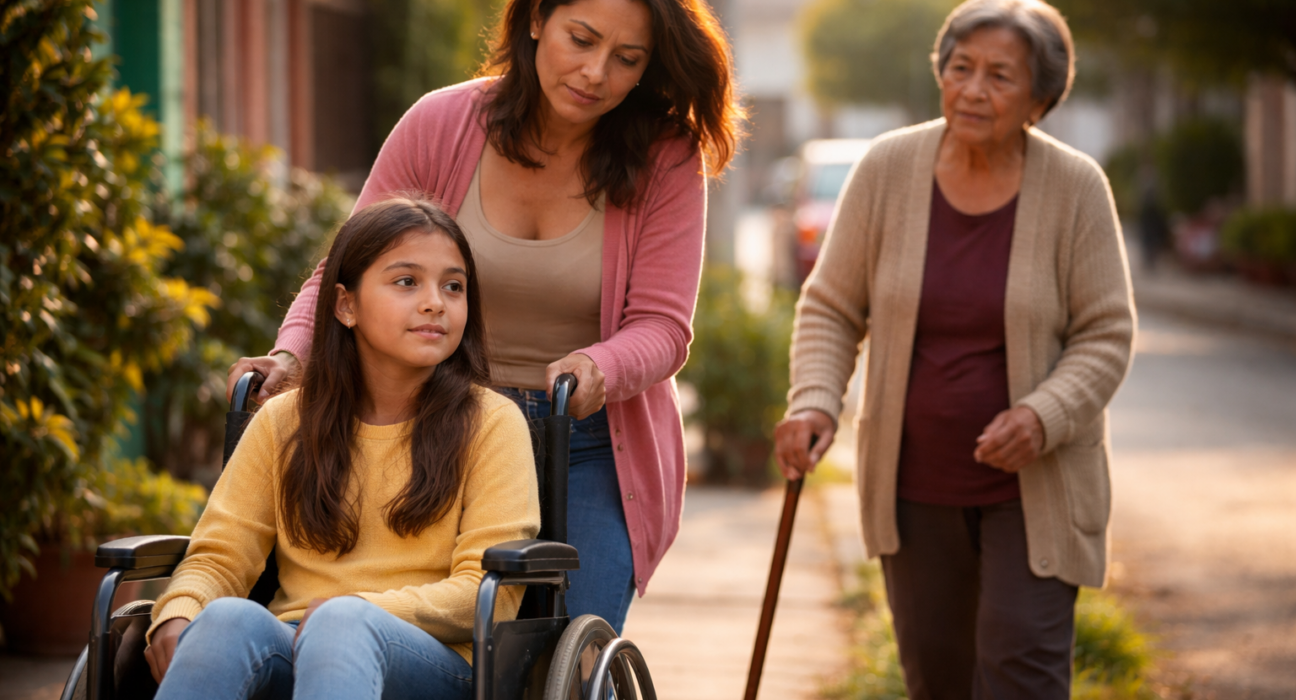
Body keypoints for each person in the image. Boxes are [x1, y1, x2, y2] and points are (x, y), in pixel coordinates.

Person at [226, 0, 742, 633]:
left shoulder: (666, 155)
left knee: (566, 653)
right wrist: (291, 357)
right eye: (580, 40)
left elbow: (664, 326)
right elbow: (346, 273)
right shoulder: (442, 124)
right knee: (441, 639)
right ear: (534, 20)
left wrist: (598, 366)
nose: (595, 73)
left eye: (626, 59)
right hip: (440, 425)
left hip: (586, 442)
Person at [773, 1, 1135, 697]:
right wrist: (815, 401)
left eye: (1000, 76)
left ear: (1039, 99)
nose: (972, 89)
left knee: (1021, 673)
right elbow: (831, 305)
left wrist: (1042, 415)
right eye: (960, 67)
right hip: (914, 486)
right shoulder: (887, 168)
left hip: (1035, 489)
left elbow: (1106, 333)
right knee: (936, 679)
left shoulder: (1076, 187)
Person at [145, 199, 539, 700]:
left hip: (439, 663)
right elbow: (220, 556)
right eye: (407, 282)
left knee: (344, 623)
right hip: (294, 643)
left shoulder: (491, 423)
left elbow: (489, 593)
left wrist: (352, 608)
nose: (435, 302)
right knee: (222, 619)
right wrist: (179, 612)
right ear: (345, 305)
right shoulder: (285, 421)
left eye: (453, 286)